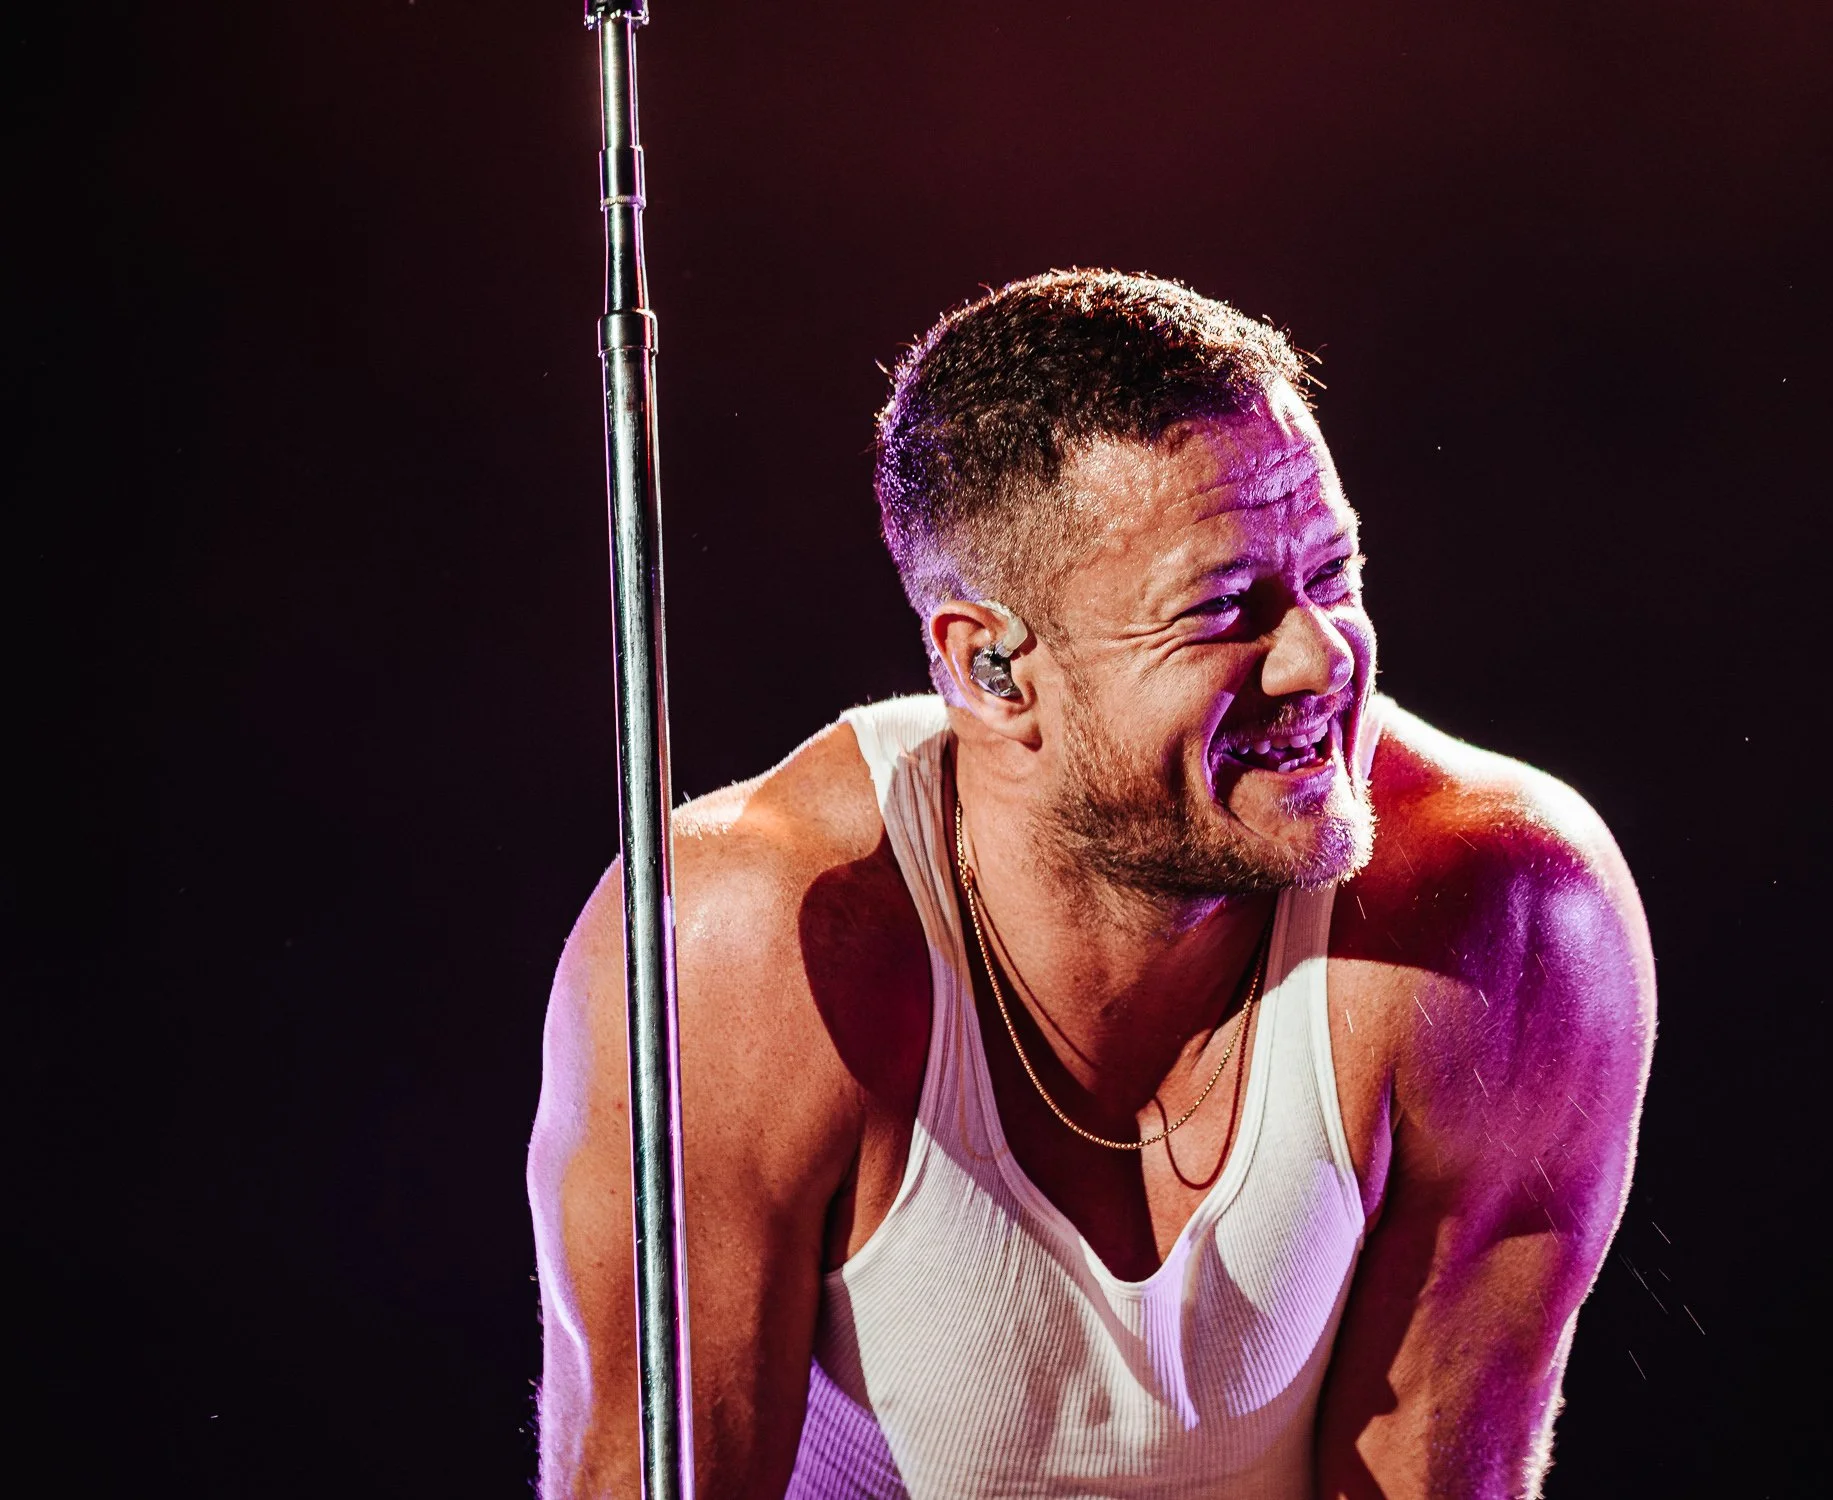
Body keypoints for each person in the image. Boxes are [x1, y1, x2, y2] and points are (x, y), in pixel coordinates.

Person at [529, 269, 1656, 1499]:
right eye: (1224, 610)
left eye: (1334, 574)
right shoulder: (745, 949)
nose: (1321, 656)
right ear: (993, 668)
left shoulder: (1502, 914)